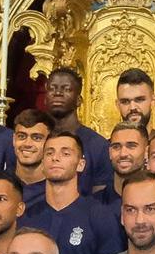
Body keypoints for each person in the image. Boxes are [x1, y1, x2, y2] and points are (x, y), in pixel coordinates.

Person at [22, 130, 122, 254]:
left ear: (81, 164)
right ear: (43, 163)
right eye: (49, 153)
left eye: (65, 153)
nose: (55, 158)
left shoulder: (99, 214)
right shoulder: (27, 217)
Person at [42, 65, 113, 193]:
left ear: (79, 100)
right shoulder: (37, 140)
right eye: (52, 88)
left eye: (66, 89)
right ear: (45, 99)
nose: (58, 93)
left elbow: (100, 195)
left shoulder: (98, 145)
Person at [9, 108, 52, 194]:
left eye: (36, 138)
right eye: (21, 136)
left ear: (49, 142)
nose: (27, 144)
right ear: (14, 139)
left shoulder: (57, 188)